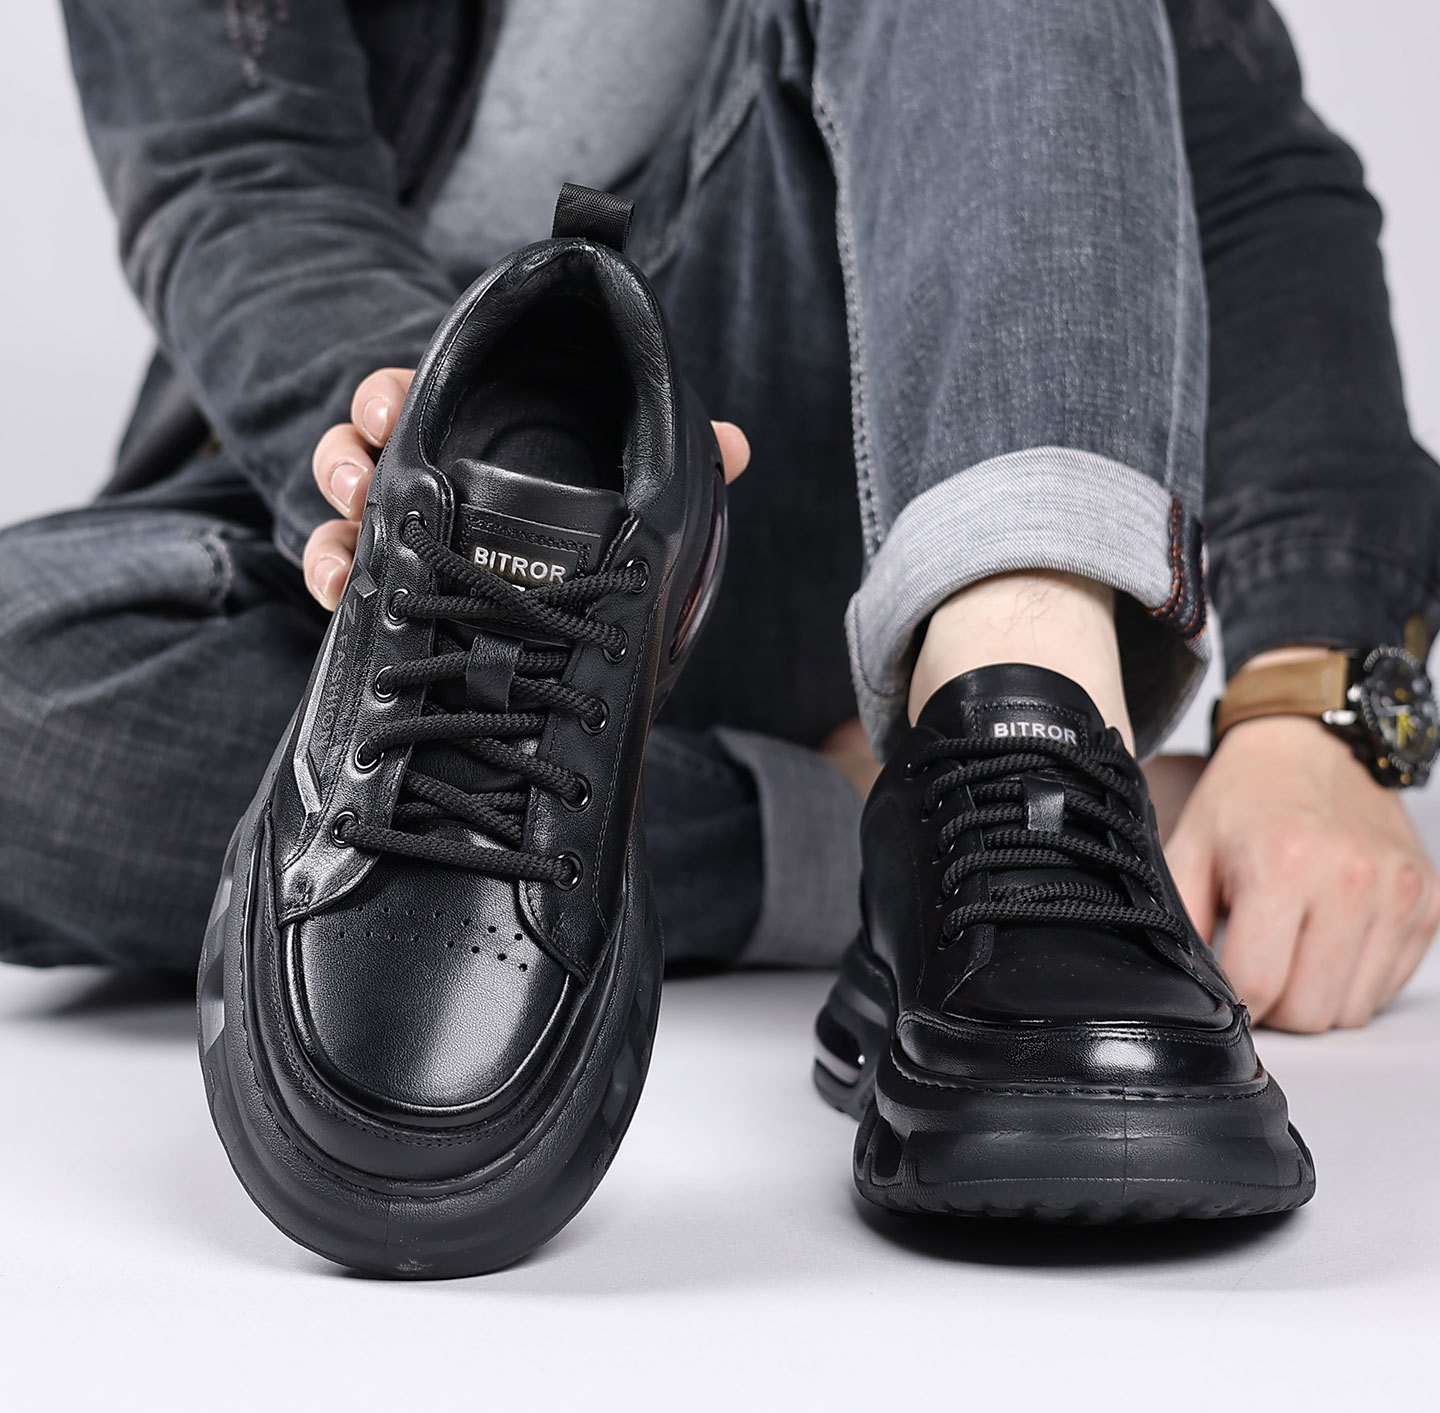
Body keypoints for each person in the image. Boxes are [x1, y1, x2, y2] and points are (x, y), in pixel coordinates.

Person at [1, 4, 1436, 1055]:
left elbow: (1248, 177)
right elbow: (240, 175)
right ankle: (876, 824)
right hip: (417, 502)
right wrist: (498, 462)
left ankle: (1021, 759)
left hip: (850, 482)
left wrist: (1314, 706)